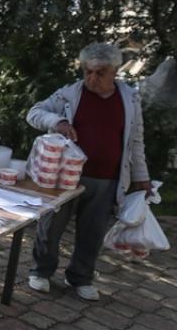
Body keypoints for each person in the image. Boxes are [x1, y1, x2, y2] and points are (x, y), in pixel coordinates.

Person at [25, 42, 151, 301]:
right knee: (51, 226)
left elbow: (136, 140)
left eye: (100, 73)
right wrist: (58, 121)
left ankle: (80, 277)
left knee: (93, 232)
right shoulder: (70, 94)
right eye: (87, 71)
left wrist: (141, 177)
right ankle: (41, 271)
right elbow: (34, 113)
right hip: (67, 176)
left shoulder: (129, 98)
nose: (92, 78)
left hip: (108, 178)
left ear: (114, 72)